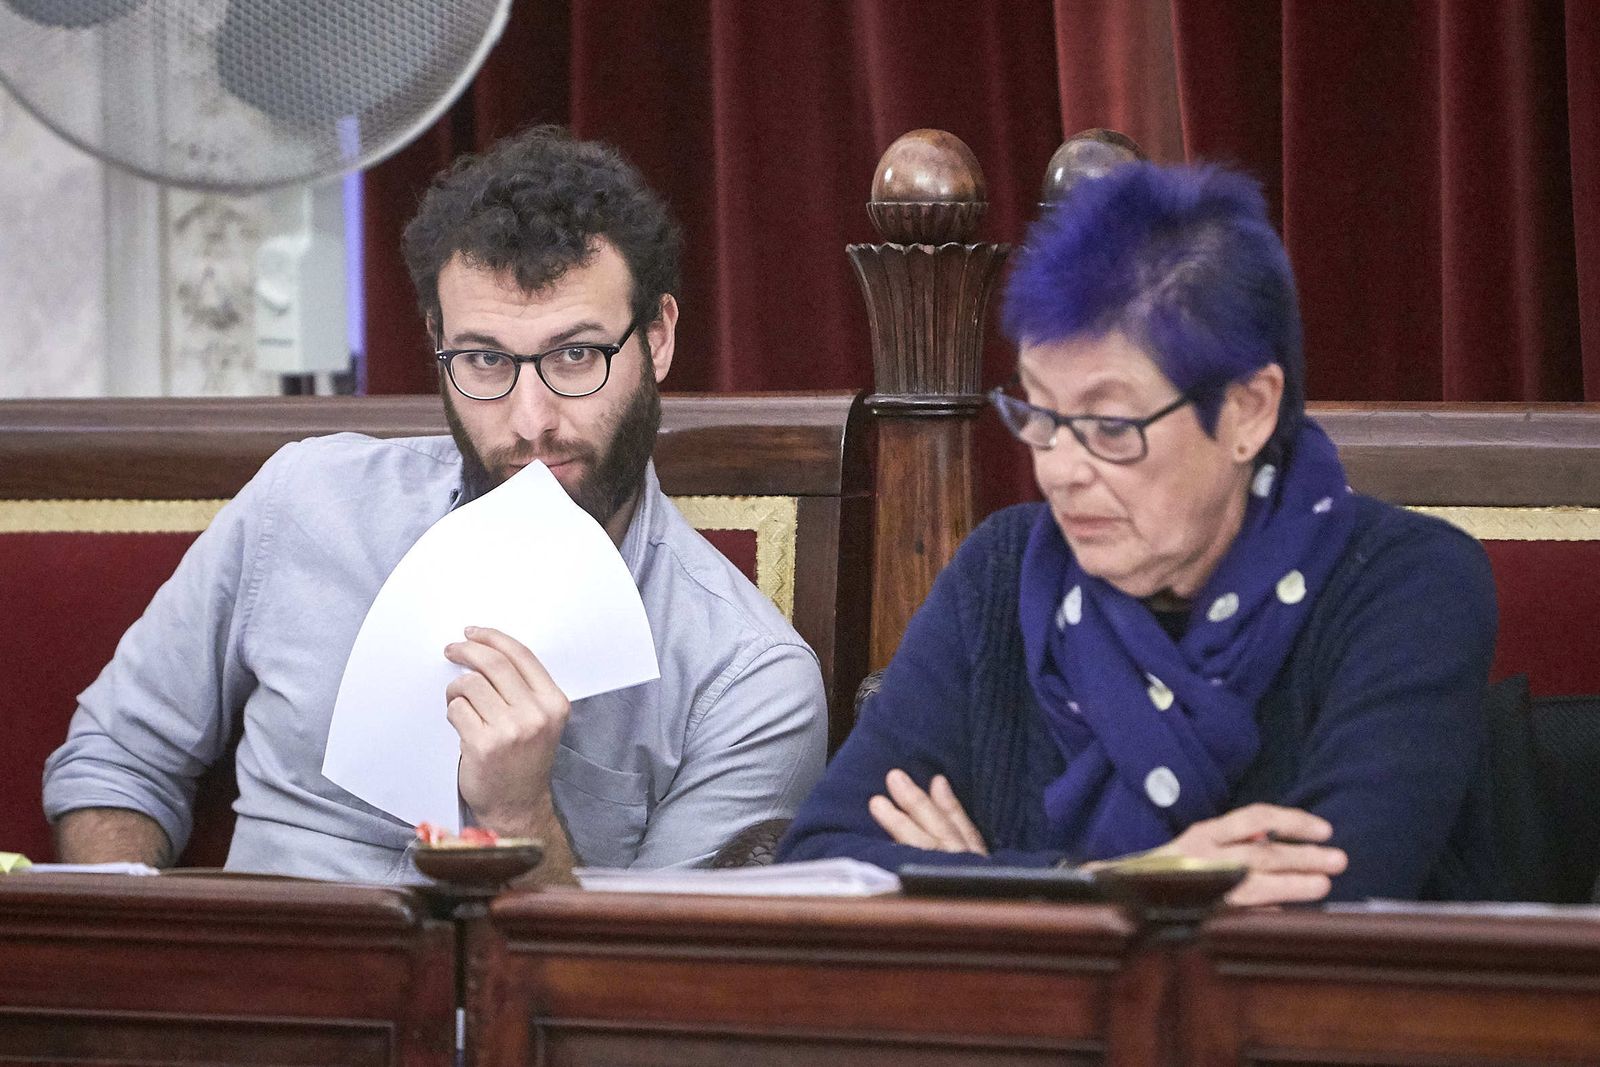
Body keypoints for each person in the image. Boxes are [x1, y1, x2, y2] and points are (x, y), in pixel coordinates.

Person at [44, 126, 828, 885]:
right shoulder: (303, 502)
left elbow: (642, 990)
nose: (531, 421)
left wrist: (523, 815)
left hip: (493, 1014)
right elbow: (112, 758)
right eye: (485, 360)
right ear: (436, 343)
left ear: (655, 338)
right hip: (255, 994)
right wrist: (147, 961)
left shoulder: (749, 681)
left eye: (576, 354)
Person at [778, 161, 1496, 905]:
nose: (1059, 471)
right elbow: (824, 861)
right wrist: (1115, 885)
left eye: (1110, 427)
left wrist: (979, 885)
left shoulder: (1408, 584)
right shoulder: (1002, 572)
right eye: (1041, 416)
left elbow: (1318, 902)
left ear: (1248, 410)